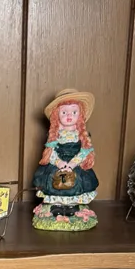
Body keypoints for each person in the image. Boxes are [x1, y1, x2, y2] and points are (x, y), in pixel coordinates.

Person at [32, 89, 99, 230]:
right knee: (52, 182)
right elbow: (50, 152)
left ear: (80, 115)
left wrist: (73, 164)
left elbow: (84, 152)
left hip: (76, 165)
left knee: (78, 183)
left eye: (74, 112)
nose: (69, 115)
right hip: (58, 164)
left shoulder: (81, 135)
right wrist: (59, 163)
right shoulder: (55, 135)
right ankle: (56, 207)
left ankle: (72, 207)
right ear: (57, 115)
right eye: (64, 112)